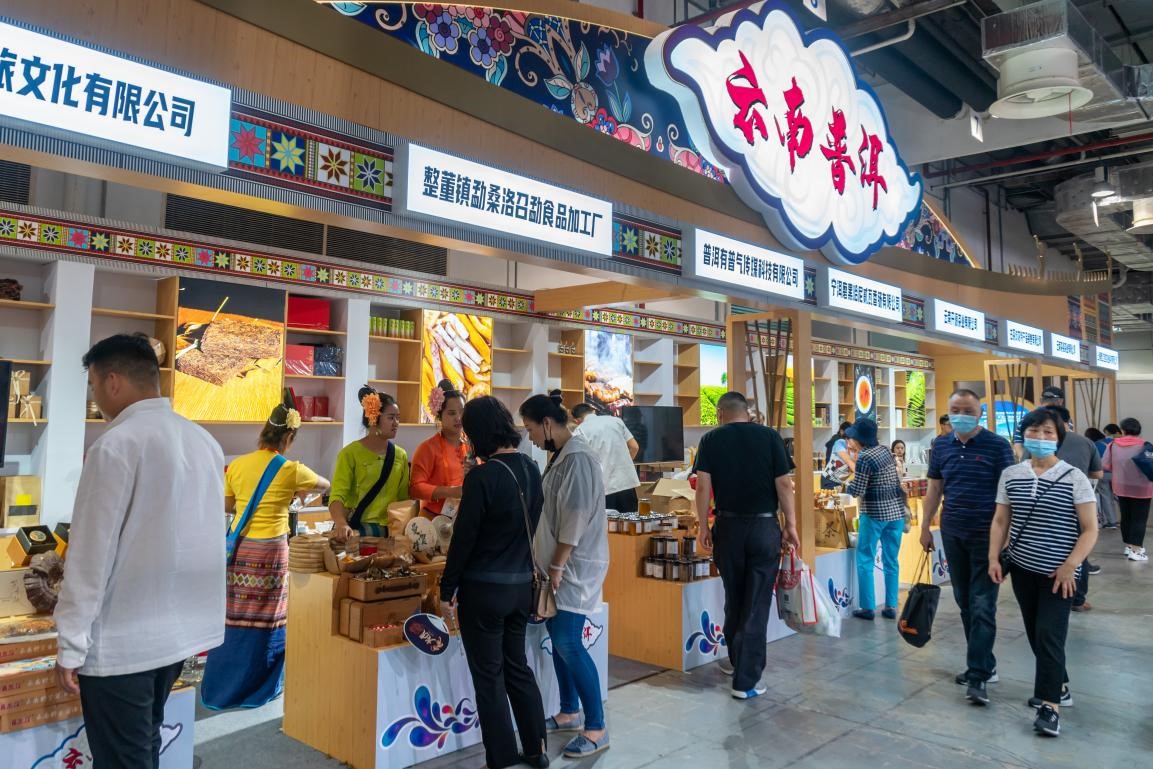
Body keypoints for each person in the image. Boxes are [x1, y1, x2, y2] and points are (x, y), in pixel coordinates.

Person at [54, 334, 225, 769]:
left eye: (94, 385)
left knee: (123, 758)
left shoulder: (115, 444)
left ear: (113, 381)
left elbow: (89, 557)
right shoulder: (203, 442)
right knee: (145, 743)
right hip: (177, 637)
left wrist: (70, 645)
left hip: (121, 643)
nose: (95, 397)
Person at [201, 396, 330, 710]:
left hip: (240, 550)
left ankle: (223, 687)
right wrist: (296, 493)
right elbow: (325, 484)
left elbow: (229, 506)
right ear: (289, 437)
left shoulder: (237, 465)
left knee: (234, 615)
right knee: (268, 618)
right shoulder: (291, 469)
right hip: (271, 553)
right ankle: (259, 687)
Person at [441, 397, 547, 769]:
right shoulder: (531, 469)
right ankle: (536, 750)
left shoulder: (482, 478)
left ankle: (501, 758)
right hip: (521, 587)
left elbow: (463, 540)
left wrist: (446, 590)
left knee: (489, 678)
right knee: (518, 667)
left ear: (477, 434)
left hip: (483, 591)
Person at [989, 407, 1098, 737]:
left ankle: (1050, 707)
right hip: (1022, 569)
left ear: (1058, 437)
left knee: (1050, 636)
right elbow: (1001, 520)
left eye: (1048, 432)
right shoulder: (1011, 474)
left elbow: (1090, 529)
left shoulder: (1074, 477)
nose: (1040, 437)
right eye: (1034, 431)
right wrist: (994, 557)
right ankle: (1059, 684)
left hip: (1059, 575)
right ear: (1024, 435)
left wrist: (1070, 566)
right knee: (1037, 634)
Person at [520, 392, 609, 759]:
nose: (530, 437)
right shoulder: (560, 456)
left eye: (530, 429)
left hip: (573, 568)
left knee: (569, 642)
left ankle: (597, 726)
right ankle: (569, 711)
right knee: (557, 640)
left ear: (547, 423)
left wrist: (557, 566)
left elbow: (575, 517)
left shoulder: (579, 459)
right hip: (558, 566)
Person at [693, 391, 799, 700]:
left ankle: (737, 661)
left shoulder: (710, 440)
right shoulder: (770, 437)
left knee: (734, 597)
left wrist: (703, 526)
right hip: (764, 527)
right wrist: (791, 524)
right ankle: (746, 680)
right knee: (756, 601)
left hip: (727, 526)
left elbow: (702, 486)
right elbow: (784, 484)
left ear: (720, 413)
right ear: (747, 412)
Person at [919, 389, 1015, 705]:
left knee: (983, 604)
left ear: (979, 414)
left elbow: (1009, 493)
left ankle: (977, 676)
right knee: (964, 602)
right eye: (955, 410)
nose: (961, 415)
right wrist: (925, 526)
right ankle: (985, 663)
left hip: (988, 537)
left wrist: (1006, 539)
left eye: (968, 410)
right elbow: (935, 488)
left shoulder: (998, 446)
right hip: (953, 533)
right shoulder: (941, 445)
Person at [1022, 406, 1103, 610]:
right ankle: (1078, 599)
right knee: (1079, 549)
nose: (1041, 435)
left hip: (1040, 508)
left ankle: (1048, 592)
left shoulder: (1033, 444)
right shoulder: (1086, 442)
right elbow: (1098, 473)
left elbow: (1026, 468)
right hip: (1078, 506)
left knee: (1043, 546)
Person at [329, 387, 410, 539]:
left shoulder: (401, 455)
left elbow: (403, 499)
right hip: (358, 532)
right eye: (391, 418)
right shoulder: (350, 454)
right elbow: (337, 496)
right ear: (374, 418)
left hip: (391, 534)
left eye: (398, 418)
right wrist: (341, 523)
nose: (396, 423)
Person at [846, 419, 906, 621]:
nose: (851, 440)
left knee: (865, 559)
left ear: (859, 438)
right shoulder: (885, 450)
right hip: (896, 514)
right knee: (891, 561)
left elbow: (858, 489)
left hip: (874, 514)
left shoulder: (865, 457)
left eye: (852, 437)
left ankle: (868, 607)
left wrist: (844, 485)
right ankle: (891, 606)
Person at [410, 379, 467, 520]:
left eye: (462, 412)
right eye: (452, 413)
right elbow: (415, 488)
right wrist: (450, 492)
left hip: (463, 519)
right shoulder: (427, 448)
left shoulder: (471, 447)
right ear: (440, 416)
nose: (458, 418)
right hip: (433, 520)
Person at [571, 402, 641, 513]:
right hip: (627, 484)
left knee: (608, 523)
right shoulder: (616, 421)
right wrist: (624, 463)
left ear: (576, 421)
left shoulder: (579, 431)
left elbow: (579, 463)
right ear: (593, 411)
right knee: (630, 521)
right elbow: (634, 447)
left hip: (603, 488)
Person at [1103, 418, 1153, 562]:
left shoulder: (1113, 445)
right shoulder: (1145, 445)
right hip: (1142, 488)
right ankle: (1136, 550)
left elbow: (1105, 465)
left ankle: (1129, 546)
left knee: (1126, 517)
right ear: (1139, 430)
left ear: (1123, 430)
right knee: (1139, 519)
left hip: (1121, 486)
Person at [1095, 425, 1122, 529]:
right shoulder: (1120, 443)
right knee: (1121, 498)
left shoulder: (1097, 443)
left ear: (1106, 432)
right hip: (1118, 474)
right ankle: (1125, 520)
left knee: (1106, 497)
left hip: (1104, 473)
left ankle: (1112, 522)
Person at [821, 421, 854, 490]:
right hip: (828, 479)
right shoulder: (839, 442)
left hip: (839, 481)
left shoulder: (856, 449)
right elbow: (847, 460)